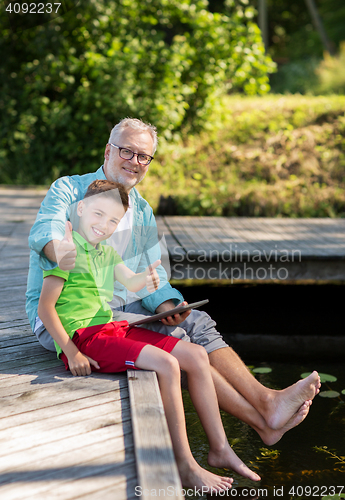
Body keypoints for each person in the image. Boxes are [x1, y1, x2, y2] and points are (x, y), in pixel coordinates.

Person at [26, 117, 321, 450]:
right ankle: (262, 417)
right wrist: (67, 254)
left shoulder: (141, 212)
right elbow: (45, 232)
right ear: (109, 151)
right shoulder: (70, 189)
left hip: (121, 308)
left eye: (144, 157)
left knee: (195, 320)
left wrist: (168, 306)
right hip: (69, 317)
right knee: (177, 338)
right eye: (127, 151)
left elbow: (152, 276)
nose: (135, 162)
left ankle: (266, 403)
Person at [37, 179, 261, 488]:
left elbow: (132, 283)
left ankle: (220, 448)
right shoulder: (67, 251)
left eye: (113, 220)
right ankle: (184, 464)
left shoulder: (105, 254)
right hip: (86, 339)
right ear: (81, 208)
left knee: (195, 355)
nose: (104, 225)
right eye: (98, 215)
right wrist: (71, 351)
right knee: (168, 364)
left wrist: (150, 277)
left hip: (111, 329)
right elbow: (45, 309)